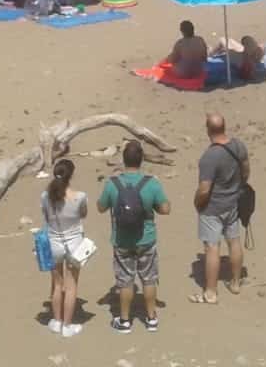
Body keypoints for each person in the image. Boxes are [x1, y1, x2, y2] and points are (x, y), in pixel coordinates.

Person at [98, 140, 171, 333]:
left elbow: (100, 207)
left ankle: (124, 321)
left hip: (122, 240)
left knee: (125, 280)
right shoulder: (152, 184)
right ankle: (151, 318)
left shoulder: (112, 184)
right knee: (148, 278)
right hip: (146, 239)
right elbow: (165, 209)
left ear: (123, 160)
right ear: (141, 160)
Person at [192, 113, 249, 304]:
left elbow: (204, 188)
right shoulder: (238, 146)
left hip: (213, 207)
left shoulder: (209, 157)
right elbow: (246, 170)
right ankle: (235, 283)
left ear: (208, 130)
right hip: (232, 202)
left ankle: (211, 291)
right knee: (234, 241)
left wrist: (197, 203)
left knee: (212, 247)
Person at [41, 159, 88, 337]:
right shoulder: (80, 196)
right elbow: (83, 214)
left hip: (54, 243)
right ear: (71, 175)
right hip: (74, 243)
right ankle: (68, 326)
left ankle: (57, 321)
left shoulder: (45, 196)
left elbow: (45, 216)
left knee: (57, 284)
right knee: (71, 286)